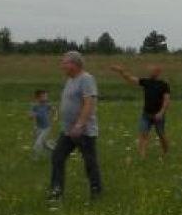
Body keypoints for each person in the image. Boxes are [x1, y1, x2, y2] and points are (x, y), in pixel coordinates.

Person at [49, 51, 102, 198]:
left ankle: (96, 192)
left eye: (65, 63)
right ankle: (56, 190)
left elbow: (89, 103)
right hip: (67, 131)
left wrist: (79, 125)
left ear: (75, 64)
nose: (62, 66)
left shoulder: (86, 79)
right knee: (57, 157)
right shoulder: (70, 80)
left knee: (89, 161)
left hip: (83, 131)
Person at [110, 63, 172, 158]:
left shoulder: (164, 85)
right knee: (143, 135)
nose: (150, 72)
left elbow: (166, 100)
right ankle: (142, 157)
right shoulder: (146, 82)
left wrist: (161, 113)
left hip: (158, 115)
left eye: (152, 70)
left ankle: (166, 153)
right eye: (149, 70)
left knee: (161, 135)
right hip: (146, 115)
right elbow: (131, 78)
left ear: (158, 72)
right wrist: (121, 71)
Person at [29, 89, 53, 156]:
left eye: (46, 96)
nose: (45, 98)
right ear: (37, 98)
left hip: (46, 128)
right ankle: (53, 150)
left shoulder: (48, 105)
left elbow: (54, 110)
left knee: (38, 143)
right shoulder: (34, 106)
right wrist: (32, 115)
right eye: (43, 96)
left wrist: (55, 116)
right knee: (44, 144)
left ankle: (35, 158)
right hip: (38, 128)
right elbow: (29, 116)